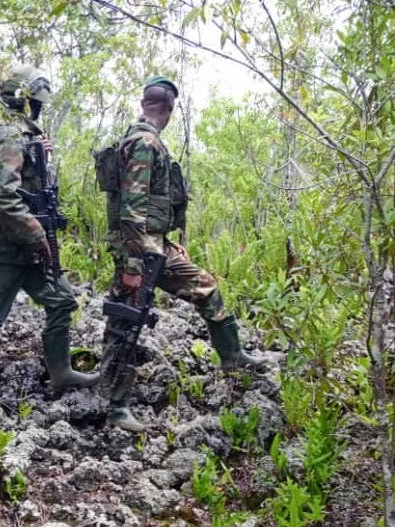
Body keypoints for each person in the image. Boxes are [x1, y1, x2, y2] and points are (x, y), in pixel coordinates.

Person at [100, 75, 267, 432]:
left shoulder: (144, 140)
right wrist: (132, 263)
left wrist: (165, 243)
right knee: (126, 323)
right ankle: (116, 407)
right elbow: (132, 208)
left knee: (206, 287)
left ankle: (233, 359)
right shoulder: (144, 142)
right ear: (169, 108)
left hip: (153, 248)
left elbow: (147, 211)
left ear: (146, 103)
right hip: (140, 252)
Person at [0, 64, 99, 423]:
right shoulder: (7, 135)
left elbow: (25, 186)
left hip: (27, 247)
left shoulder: (23, 137)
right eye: (35, 103)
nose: (39, 109)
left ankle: (61, 372)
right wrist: (37, 233)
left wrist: (41, 158)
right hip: (3, 247)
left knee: (62, 299)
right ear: (24, 101)